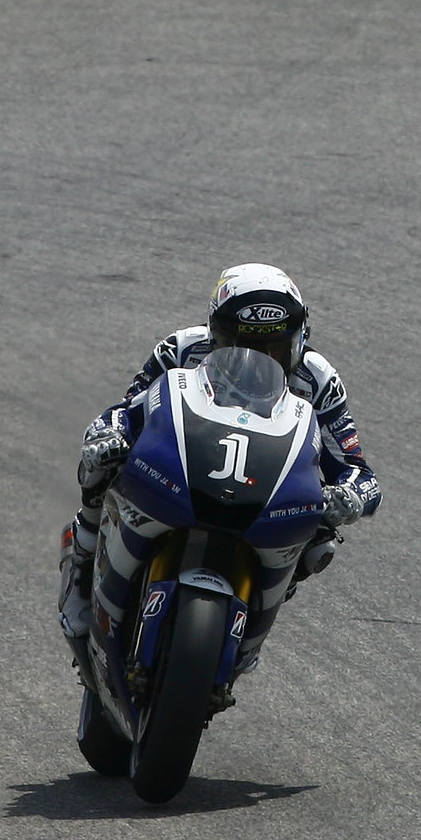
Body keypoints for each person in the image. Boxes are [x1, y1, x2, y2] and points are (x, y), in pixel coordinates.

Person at [57, 263, 382, 671]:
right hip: (183, 465)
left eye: (276, 350)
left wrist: (349, 497)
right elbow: (129, 410)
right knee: (103, 463)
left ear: (301, 337)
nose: (259, 359)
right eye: (238, 345)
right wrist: (109, 435)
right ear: (215, 335)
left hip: (265, 483)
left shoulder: (318, 380)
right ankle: (82, 564)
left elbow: (358, 470)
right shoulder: (180, 349)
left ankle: (255, 619)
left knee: (320, 540)